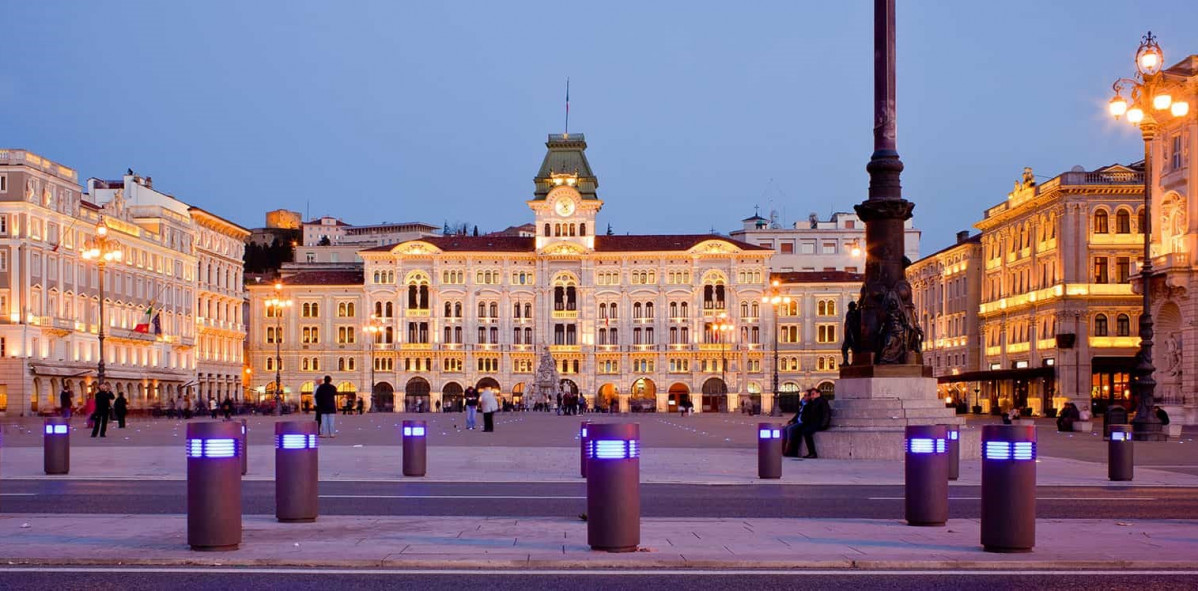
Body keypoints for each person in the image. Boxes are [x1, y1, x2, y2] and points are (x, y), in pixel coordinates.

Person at [799, 388, 830, 459]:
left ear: (818, 394)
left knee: (806, 432)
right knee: (801, 429)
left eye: (813, 394)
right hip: (814, 422)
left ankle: (812, 453)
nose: (812, 396)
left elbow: (826, 413)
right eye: (811, 394)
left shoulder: (822, 401)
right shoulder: (813, 402)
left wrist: (824, 424)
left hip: (819, 423)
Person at [783, 390, 811, 457]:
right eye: (804, 395)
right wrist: (791, 420)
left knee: (790, 429)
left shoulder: (809, 405)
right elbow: (797, 415)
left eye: (806, 395)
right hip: (798, 422)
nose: (804, 397)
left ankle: (788, 447)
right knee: (784, 428)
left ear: (809, 397)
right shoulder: (802, 404)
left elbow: (807, 417)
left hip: (802, 423)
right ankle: (783, 447)